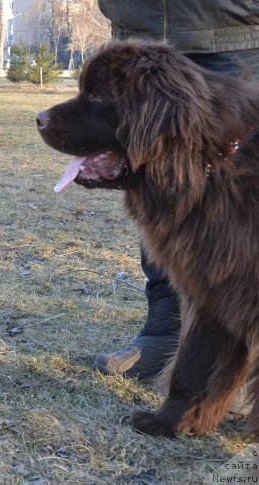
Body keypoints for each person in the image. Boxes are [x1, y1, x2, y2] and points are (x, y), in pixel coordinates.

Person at [92, 0, 259, 398]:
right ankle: (166, 328)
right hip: (140, 31)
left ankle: (237, 359)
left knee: (241, 210)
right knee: (153, 188)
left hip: (231, 33)